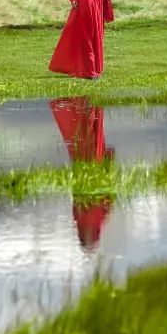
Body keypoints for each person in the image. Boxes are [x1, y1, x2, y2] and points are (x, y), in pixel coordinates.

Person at [49, 97, 114, 251]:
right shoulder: (101, 217)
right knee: (88, 139)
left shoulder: (83, 218)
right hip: (93, 169)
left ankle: (85, 108)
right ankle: (88, 108)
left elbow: (77, 197)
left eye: (87, 238)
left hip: (85, 170)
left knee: (84, 139)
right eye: (90, 238)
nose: (89, 235)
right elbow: (109, 194)